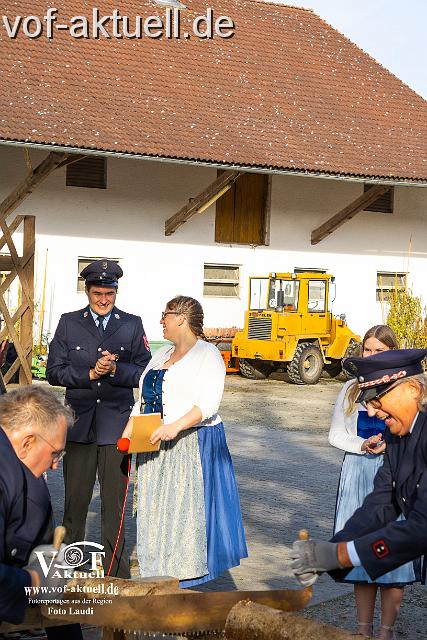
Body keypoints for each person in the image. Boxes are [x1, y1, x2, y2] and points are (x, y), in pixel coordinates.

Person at [291, 348, 427, 640]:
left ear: (413, 390)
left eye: (377, 399)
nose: (374, 412)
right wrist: (329, 552)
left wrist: (342, 554)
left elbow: (420, 528)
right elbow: (382, 503)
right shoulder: (399, 434)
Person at [122, 295, 248, 586]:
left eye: (165, 315)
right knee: (155, 516)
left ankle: (179, 581)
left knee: (182, 517)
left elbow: (208, 403)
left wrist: (174, 428)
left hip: (189, 444)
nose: (161, 321)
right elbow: (144, 398)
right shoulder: (161, 353)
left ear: (181, 318)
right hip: (153, 447)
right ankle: (155, 578)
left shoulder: (207, 354)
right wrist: (128, 431)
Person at [46, 259, 151, 578]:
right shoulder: (68, 323)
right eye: (97, 293)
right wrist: (90, 373)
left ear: (116, 292)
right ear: (87, 292)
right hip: (78, 429)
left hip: (116, 430)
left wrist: (117, 370)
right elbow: (53, 371)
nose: (103, 299)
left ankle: (115, 576)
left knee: (115, 509)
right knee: (74, 506)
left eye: (109, 293)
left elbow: (147, 372)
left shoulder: (132, 324)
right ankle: (69, 574)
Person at [328, 326, 418, 639]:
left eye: (380, 350)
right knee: (360, 557)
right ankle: (362, 631)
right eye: (368, 350)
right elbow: (335, 434)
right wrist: (361, 445)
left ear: (393, 352)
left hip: (396, 475)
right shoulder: (352, 389)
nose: (372, 356)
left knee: (393, 557)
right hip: (359, 474)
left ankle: (386, 632)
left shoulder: (409, 388)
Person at [0, 385, 81, 640]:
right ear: (26, 443)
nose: (56, 466)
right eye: (55, 453)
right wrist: (33, 582)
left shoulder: (28, 479)